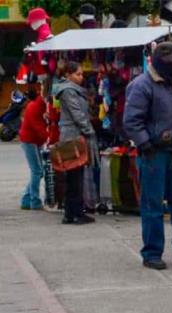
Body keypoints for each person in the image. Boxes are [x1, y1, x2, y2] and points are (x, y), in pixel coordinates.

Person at [123, 42, 172, 270]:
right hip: (154, 153)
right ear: (160, 63)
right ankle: (152, 253)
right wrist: (145, 143)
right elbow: (131, 120)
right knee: (153, 205)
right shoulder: (142, 85)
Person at [56, 61, 98, 225]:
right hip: (72, 136)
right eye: (77, 74)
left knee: (76, 175)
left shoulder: (73, 90)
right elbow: (77, 114)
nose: (81, 77)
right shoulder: (68, 91)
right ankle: (74, 213)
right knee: (74, 175)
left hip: (74, 135)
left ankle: (73, 212)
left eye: (81, 74)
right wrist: (89, 130)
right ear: (68, 75)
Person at [19, 86, 48, 210]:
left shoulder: (40, 105)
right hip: (29, 141)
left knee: (38, 171)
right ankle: (34, 201)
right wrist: (49, 138)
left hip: (35, 141)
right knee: (37, 171)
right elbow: (38, 127)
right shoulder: (35, 107)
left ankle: (26, 199)